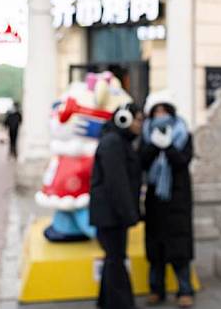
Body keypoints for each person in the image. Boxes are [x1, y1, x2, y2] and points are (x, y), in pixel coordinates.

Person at [139, 91, 195, 308]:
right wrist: (154, 145)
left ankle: (184, 289)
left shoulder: (183, 133)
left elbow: (183, 161)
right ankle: (156, 289)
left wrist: (168, 146)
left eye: (164, 110)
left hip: (178, 199)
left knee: (179, 247)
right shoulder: (145, 135)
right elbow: (141, 162)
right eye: (157, 111)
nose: (161, 115)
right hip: (155, 200)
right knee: (155, 248)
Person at [89, 103, 143, 309]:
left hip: (111, 214)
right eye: (137, 119)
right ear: (124, 119)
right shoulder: (113, 143)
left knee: (113, 259)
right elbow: (117, 182)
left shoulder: (120, 141)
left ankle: (105, 302)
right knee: (116, 261)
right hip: (110, 215)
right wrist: (129, 214)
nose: (140, 124)